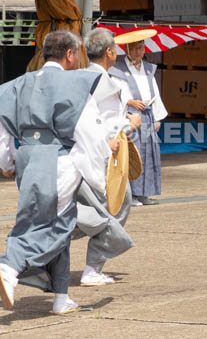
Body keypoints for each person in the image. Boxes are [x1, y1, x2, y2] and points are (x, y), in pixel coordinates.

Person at [0, 30, 122, 315]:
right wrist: (101, 174)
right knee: (52, 226)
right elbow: (89, 132)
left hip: (29, 157)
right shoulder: (75, 84)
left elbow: (1, 129)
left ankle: (61, 297)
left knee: (57, 222)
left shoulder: (17, 84)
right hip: (59, 159)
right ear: (70, 54)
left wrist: (7, 161)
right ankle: (9, 265)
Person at [76, 28, 143, 287]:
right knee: (115, 207)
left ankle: (37, 253)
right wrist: (129, 124)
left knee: (85, 211)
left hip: (80, 155)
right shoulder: (105, 82)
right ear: (109, 52)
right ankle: (92, 268)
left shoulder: (79, 78)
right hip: (104, 155)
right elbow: (101, 123)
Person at [109, 38, 168, 205]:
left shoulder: (148, 69)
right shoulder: (118, 69)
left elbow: (155, 93)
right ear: (127, 50)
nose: (138, 52)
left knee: (149, 154)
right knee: (133, 154)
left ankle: (145, 193)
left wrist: (157, 117)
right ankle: (131, 195)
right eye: (134, 48)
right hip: (131, 115)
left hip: (147, 115)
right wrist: (129, 102)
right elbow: (117, 92)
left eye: (140, 48)